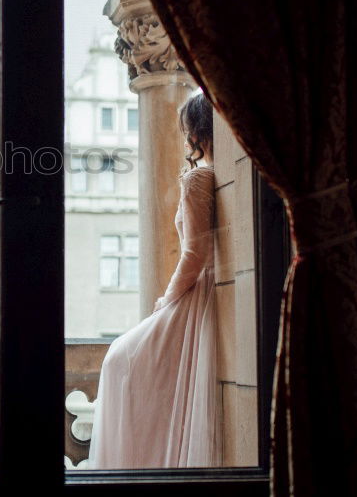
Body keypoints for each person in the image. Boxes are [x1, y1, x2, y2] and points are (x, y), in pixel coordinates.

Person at [87, 90, 220, 469]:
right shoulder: (219, 177)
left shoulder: (197, 179)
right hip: (209, 295)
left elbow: (195, 255)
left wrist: (166, 301)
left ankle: (135, 465)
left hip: (196, 296)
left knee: (120, 361)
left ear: (195, 132)